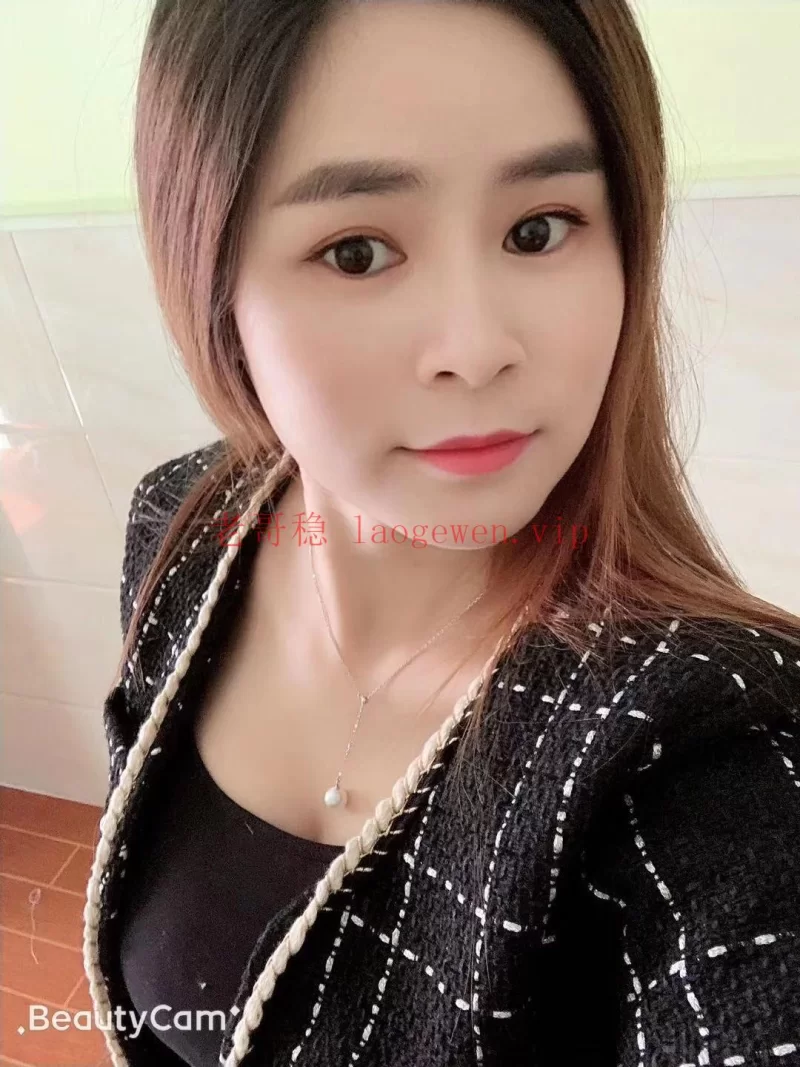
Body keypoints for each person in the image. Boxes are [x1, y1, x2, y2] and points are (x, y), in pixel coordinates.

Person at [82, 1, 800, 1065]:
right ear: (213, 281)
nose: (475, 346)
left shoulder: (709, 748)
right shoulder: (185, 524)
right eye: (357, 251)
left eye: (538, 228)